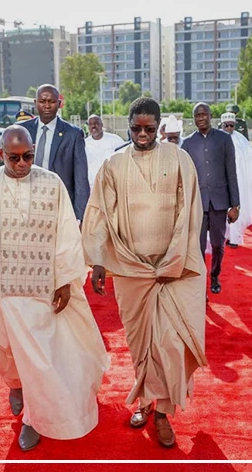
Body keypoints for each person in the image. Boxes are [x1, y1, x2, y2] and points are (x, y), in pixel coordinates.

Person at [0, 126, 109, 452]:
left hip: (42, 292)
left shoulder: (51, 182)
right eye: (13, 157)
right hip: (0, 289)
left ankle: (34, 417)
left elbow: (65, 233)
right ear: (0, 154)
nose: (22, 163)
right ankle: (15, 386)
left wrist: (64, 279)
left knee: (41, 358)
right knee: (4, 351)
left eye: (27, 156)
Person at [83, 97, 207, 449]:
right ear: (128, 125)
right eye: (136, 127)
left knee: (168, 342)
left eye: (149, 129)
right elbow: (100, 212)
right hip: (129, 268)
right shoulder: (113, 164)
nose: (141, 134)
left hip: (174, 269)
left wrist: (173, 260)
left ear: (158, 127)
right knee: (140, 345)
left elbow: (189, 212)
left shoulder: (179, 158)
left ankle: (163, 413)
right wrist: (98, 262)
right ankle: (145, 402)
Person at [181, 103, 240, 294]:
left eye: (203, 114)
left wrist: (235, 204)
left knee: (217, 244)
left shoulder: (224, 139)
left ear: (210, 116)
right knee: (197, 246)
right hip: (197, 204)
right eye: (197, 115)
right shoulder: (188, 143)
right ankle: (200, 283)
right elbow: (184, 176)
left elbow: (231, 172)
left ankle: (214, 276)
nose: (200, 118)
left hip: (220, 203)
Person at [18, 84, 90, 221]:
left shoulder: (73, 134)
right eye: (42, 101)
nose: (47, 106)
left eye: (51, 102)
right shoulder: (22, 131)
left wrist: (79, 218)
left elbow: (81, 179)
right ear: (35, 103)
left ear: (59, 103)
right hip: (24, 206)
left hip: (59, 207)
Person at [219, 112, 252, 249]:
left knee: (235, 208)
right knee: (221, 210)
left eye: (231, 125)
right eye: (226, 125)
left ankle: (234, 238)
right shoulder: (216, 138)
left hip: (239, 181)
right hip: (221, 182)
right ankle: (224, 235)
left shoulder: (241, 140)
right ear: (221, 125)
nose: (229, 128)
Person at [84, 114, 126, 187]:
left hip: (113, 183)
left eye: (96, 123)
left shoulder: (115, 140)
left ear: (101, 125)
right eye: (90, 124)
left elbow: (125, 159)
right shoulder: (84, 144)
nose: (93, 126)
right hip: (93, 185)